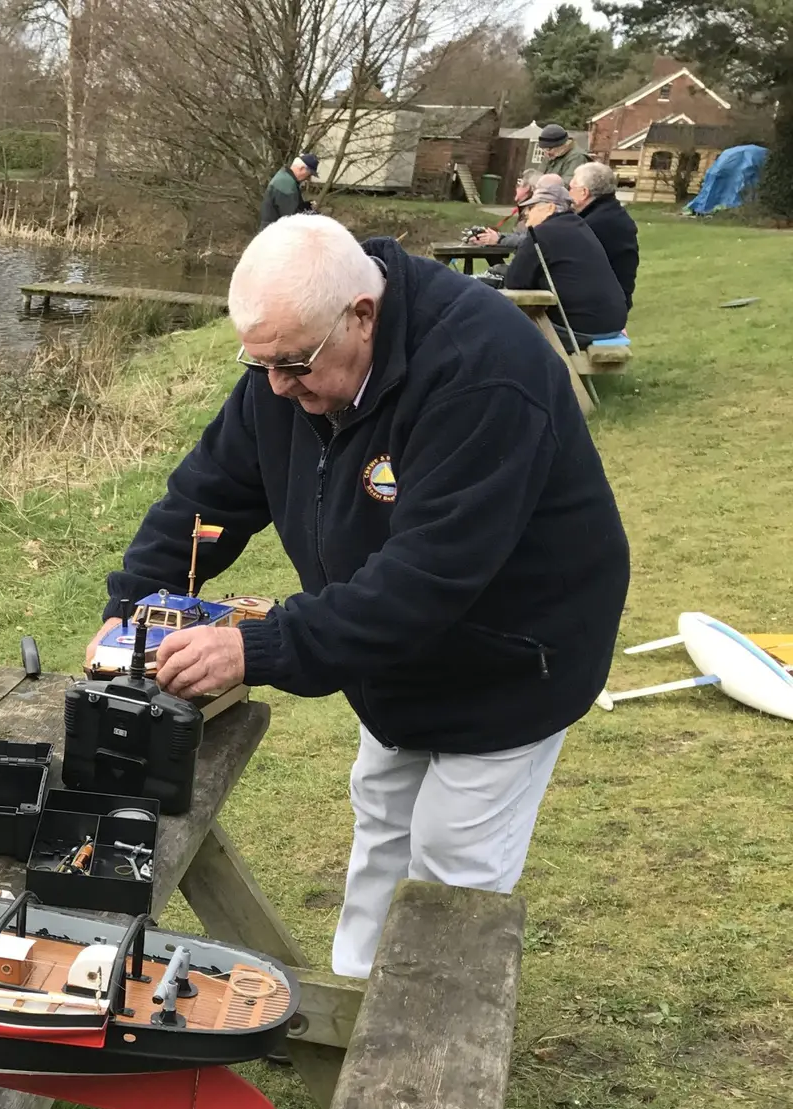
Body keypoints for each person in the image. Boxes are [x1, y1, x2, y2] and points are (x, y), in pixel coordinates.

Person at [92, 215, 628, 978]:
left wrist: (256, 647)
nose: (277, 387)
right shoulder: (293, 365)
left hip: (512, 656)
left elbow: (425, 577)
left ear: (363, 315)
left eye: (293, 365)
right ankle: (356, 1005)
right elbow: (208, 495)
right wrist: (130, 606)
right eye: (260, 365)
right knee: (382, 823)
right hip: (391, 656)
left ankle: (429, 1028)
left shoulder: (482, 370)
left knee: (452, 862)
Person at [502, 174, 628, 345]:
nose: (526, 213)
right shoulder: (580, 226)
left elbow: (514, 282)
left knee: (503, 323)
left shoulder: (541, 233)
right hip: (613, 323)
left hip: (579, 329)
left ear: (550, 208)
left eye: (532, 207)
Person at [570, 160, 638, 308]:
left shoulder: (592, 224)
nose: (568, 194)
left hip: (599, 306)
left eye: (571, 188)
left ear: (584, 192)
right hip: (615, 300)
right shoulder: (613, 212)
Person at [472, 170, 540, 252]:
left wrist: (500, 239)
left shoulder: (537, 212)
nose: (516, 187)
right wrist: (488, 238)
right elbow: (519, 236)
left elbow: (530, 240)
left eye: (519, 184)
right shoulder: (529, 209)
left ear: (528, 188)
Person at [260, 153, 318, 229]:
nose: (308, 178)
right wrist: (312, 217)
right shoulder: (285, 184)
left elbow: (290, 206)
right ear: (302, 169)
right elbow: (291, 218)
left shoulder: (286, 177)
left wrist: (307, 206)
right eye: (309, 174)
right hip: (275, 232)